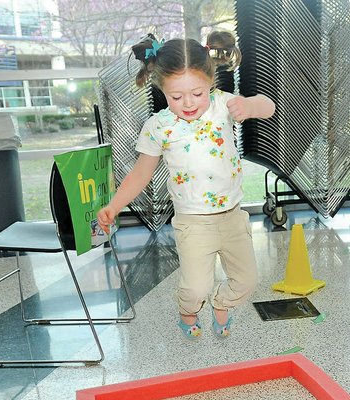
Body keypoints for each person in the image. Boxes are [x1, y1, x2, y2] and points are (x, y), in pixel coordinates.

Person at [98, 32, 275, 339]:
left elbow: (268, 106)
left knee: (246, 281)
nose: (189, 103)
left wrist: (249, 105)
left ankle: (222, 303)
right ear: (162, 90)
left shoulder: (223, 104)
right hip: (192, 223)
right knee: (196, 287)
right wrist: (114, 205)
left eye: (197, 93)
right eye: (177, 97)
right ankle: (187, 311)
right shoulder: (159, 126)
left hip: (232, 216)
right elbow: (140, 174)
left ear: (210, 81)